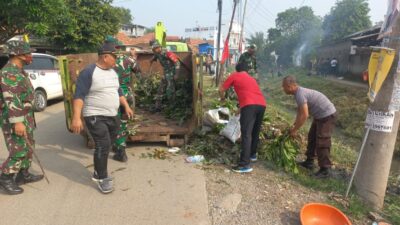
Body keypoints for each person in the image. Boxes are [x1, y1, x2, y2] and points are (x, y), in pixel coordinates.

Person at [70, 42, 133, 194]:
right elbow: (79, 96)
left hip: (112, 115)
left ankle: (99, 169)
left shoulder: (113, 72)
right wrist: (76, 117)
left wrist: (126, 106)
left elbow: (117, 91)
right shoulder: (89, 72)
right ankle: (101, 176)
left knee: (109, 142)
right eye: (114, 57)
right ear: (105, 57)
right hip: (95, 115)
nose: (116, 61)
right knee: (103, 144)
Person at [0, 40, 43, 195]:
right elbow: (12, 99)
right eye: (28, 53)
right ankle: (5, 178)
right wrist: (18, 122)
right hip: (14, 118)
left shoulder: (19, 70)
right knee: (18, 149)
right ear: (18, 54)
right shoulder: (9, 72)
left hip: (25, 117)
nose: (30, 56)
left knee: (28, 145)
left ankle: (23, 175)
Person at [282, 76, 336, 178]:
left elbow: (305, 115)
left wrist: (295, 130)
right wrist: (294, 125)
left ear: (290, 86)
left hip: (327, 115)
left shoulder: (300, 94)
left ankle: (325, 169)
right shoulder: (298, 93)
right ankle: (309, 162)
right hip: (319, 116)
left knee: (322, 141)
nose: (283, 89)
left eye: (283, 87)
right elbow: (300, 112)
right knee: (312, 137)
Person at [219, 63, 266, 173]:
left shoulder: (235, 75)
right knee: (255, 131)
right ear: (246, 71)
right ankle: (252, 155)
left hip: (250, 106)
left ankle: (244, 164)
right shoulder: (252, 79)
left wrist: (222, 99)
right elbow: (250, 95)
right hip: (262, 105)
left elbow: (221, 89)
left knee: (246, 134)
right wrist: (240, 109)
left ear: (237, 70)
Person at [106, 37, 139, 163]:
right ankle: (120, 146)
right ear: (120, 47)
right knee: (124, 122)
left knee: (115, 122)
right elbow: (138, 71)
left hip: (114, 96)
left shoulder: (107, 60)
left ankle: (120, 150)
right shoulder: (128, 59)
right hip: (128, 95)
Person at [150, 40, 180, 112]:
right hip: (165, 73)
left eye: (157, 48)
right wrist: (152, 59)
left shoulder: (167, 53)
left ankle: (172, 107)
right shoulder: (157, 53)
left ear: (160, 46)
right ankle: (158, 107)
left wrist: (177, 74)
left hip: (171, 73)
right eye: (155, 49)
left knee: (170, 90)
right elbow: (155, 57)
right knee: (160, 90)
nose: (157, 49)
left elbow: (177, 62)